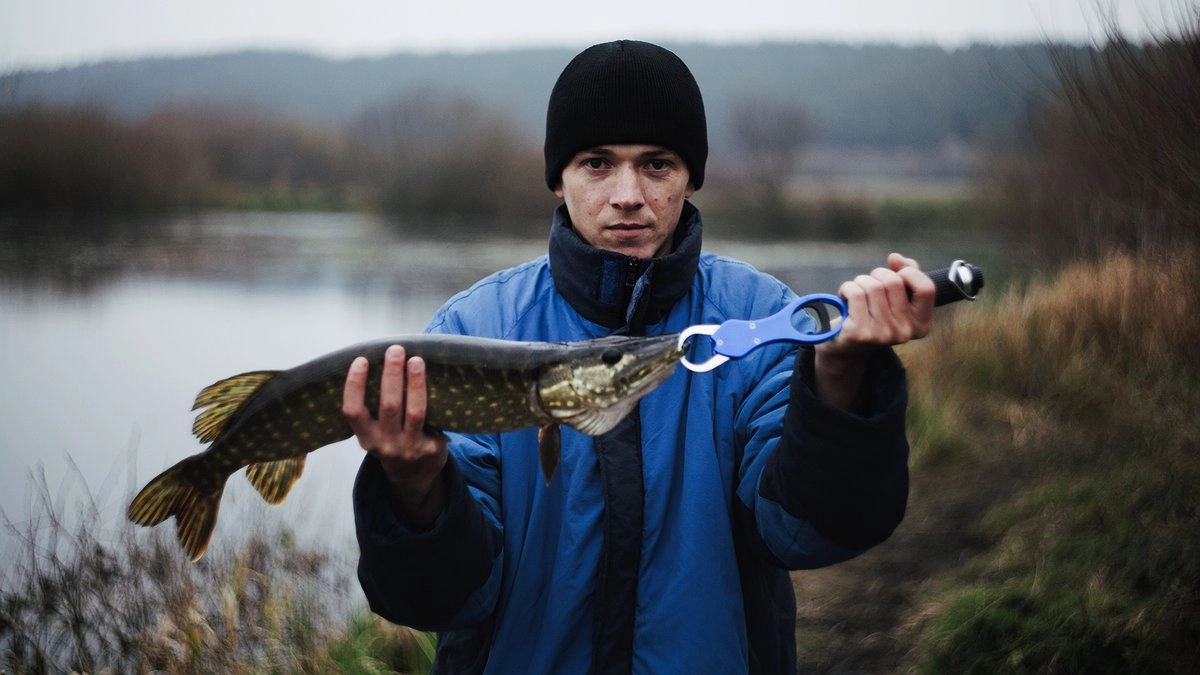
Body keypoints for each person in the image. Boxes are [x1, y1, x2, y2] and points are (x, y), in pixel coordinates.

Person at [344, 40, 934, 675]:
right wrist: (414, 488)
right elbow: (441, 599)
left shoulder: (762, 316)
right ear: (560, 178)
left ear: (689, 178)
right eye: (597, 163)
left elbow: (804, 531)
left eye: (656, 164)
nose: (627, 194)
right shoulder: (473, 328)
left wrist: (840, 378)